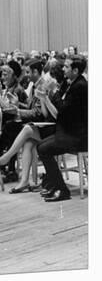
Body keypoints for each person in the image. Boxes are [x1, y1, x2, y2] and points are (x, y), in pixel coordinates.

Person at [0, 61, 68, 193]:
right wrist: (18, 104)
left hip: (52, 127)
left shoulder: (46, 86)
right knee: (28, 142)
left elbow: (42, 114)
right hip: (44, 124)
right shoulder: (36, 85)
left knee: (26, 129)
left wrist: (18, 110)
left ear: (36, 72)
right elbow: (38, 110)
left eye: (28, 72)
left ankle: (8, 156)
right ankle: (24, 181)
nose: (26, 75)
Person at [37, 55, 88, 202]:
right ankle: (55, 185)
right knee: (40, 146)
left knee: (44, 150)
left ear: (75, 70)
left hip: (79, 136)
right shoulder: (70, 83)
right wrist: (46, 95)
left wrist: (54, 91)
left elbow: (63, 109)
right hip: (67, 131)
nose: (63, 69)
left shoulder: (80, 86)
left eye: (66, 67)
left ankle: (62, 190)